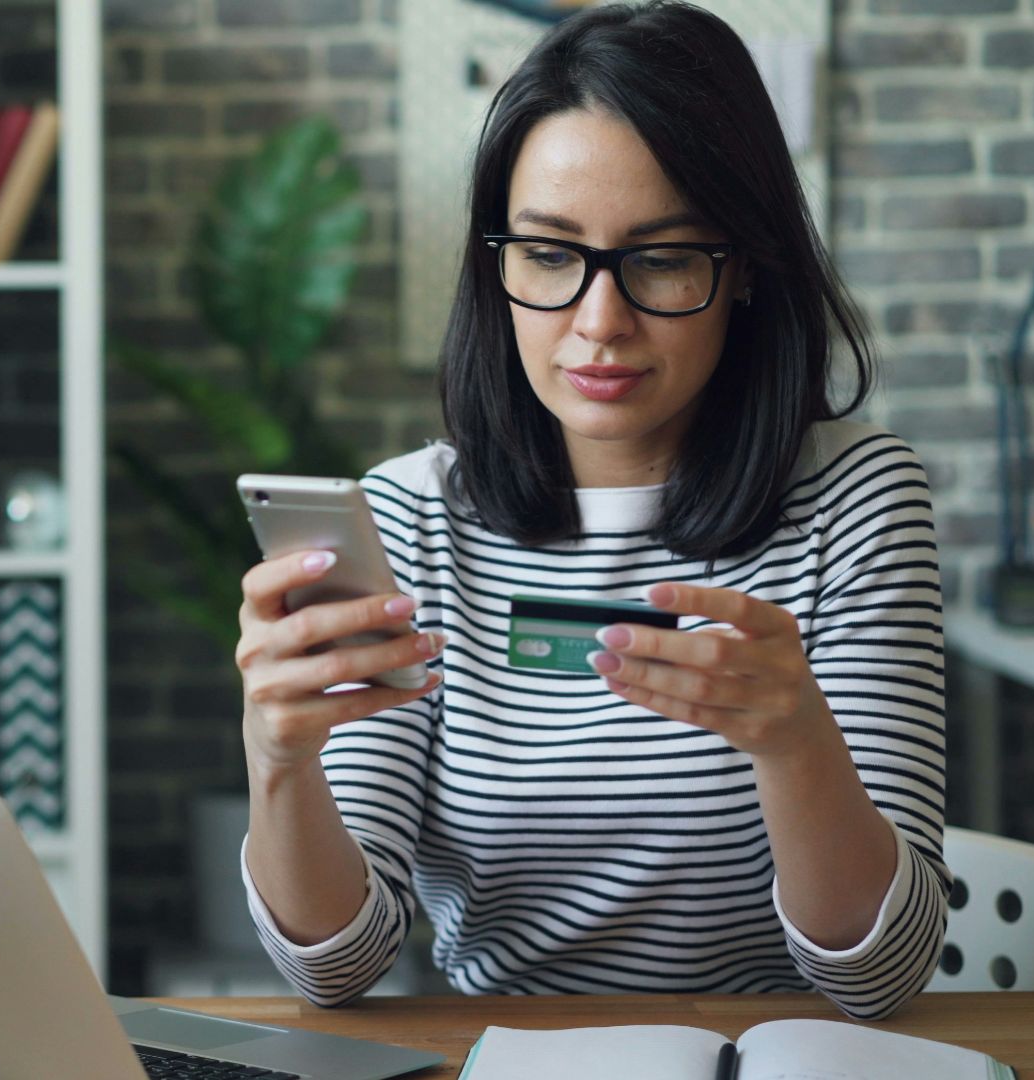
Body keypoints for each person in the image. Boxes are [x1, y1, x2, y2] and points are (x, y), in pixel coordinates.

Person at [235, 1, 946, 1020]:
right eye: (550, 255)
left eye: (660, 260)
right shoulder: (408, 520)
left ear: (742, 267)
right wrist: (279, 758)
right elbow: (334, 972)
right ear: (497, 264)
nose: (598, 323)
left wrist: (796, 745)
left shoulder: (858, 499)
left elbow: (882, 976)